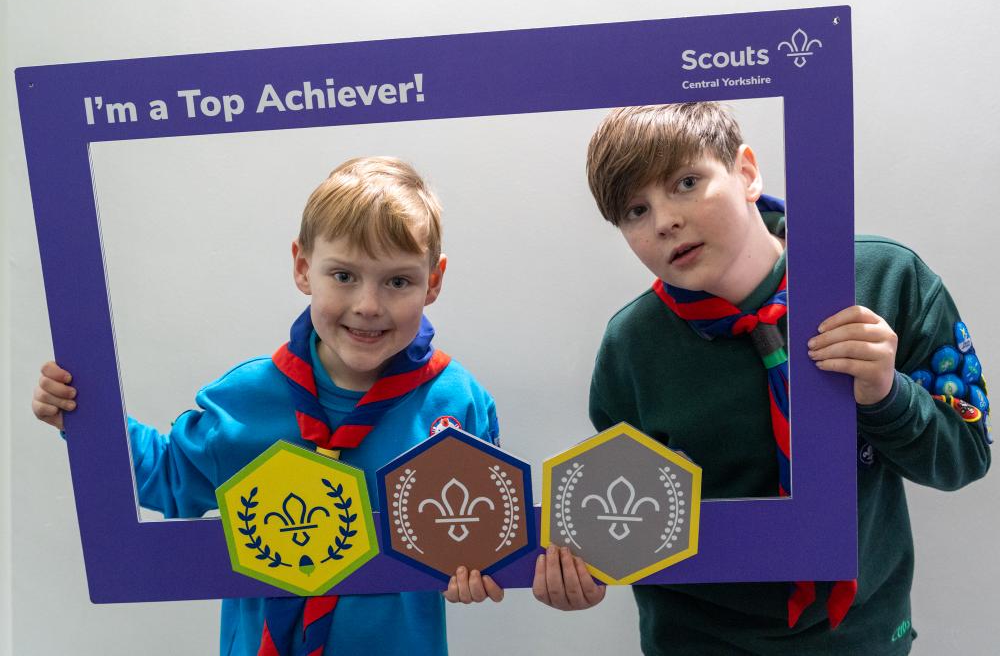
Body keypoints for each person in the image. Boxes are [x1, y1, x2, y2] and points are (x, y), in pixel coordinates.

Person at [531, 102, 991, 655]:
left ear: (746, 173)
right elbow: (626, 517)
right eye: (635, 210)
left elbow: (966, 456)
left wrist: (887, 395)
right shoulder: (629, 348)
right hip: (695, 642)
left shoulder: (883, 280)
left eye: (686, 182)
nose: (664, 221)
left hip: (864, 637)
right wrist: (585, 570)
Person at [32, 156, 504, 656]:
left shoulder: (458, 404)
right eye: (344, 275)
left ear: (433, 280)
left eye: (398, 281)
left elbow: (489, 529)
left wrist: (485, 567)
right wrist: (86, 418)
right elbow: (167, 475)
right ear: (303, 268)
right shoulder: (245, 399)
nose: (368, 305)